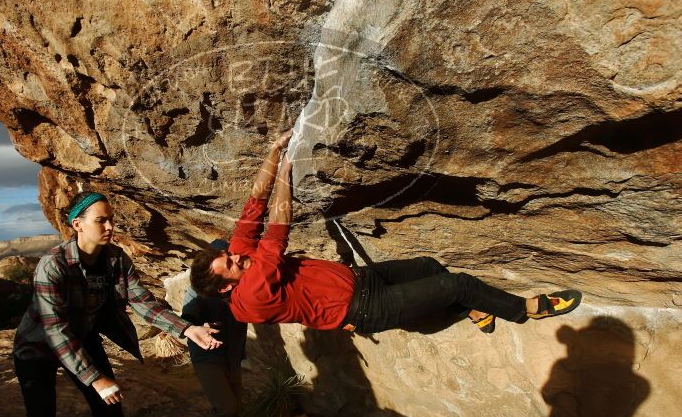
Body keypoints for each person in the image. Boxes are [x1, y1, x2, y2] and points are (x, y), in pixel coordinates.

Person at [190, 132, 583, 334]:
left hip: (362, 280)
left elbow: (253, 207)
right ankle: (526, 310)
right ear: (226, 288)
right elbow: (277, 228)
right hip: (366, 310)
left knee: (429, 266)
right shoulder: (252, 295)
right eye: (232, 264)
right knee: (455, 284)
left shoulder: (242, 259)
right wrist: (288, 172)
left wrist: (274, 152)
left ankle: (474, 311)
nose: (239, 255)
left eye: (232, 254)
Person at [13, 191, 222, 417]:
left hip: (82, 339)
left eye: (111, 219)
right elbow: (55, 329)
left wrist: (186, 328)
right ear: (77, 224)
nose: (110, 226)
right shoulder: (52, 264)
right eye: (101, 220)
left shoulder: (115, 259)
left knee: (110, 409)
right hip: (37, 348)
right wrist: (95, 379)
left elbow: (142, 303)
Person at [182, 239, 248, 417]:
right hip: (207, 360)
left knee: (234, 414)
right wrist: (197, 328)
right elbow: (186, 322)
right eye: (227, 259)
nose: (236, 260)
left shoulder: (238, 287)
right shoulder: (200, 296)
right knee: (225, 409)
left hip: (232, 357)